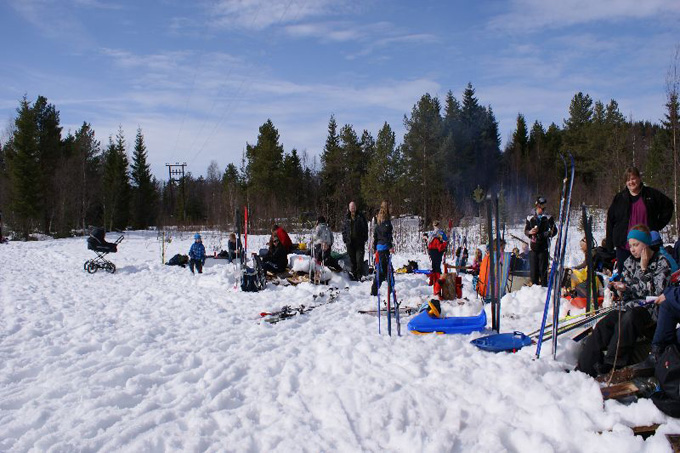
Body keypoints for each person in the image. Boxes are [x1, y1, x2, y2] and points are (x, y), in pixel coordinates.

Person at [576, 225, 671, 377]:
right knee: (604, 325)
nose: (632, 249)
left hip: (651, 310)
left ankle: (612, 364)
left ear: (646, 243)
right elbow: (628, 289)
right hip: (629, 306)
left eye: (636, 245)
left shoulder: (661, 263)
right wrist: (620, 289)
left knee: (629, 318)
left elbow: (656, 293)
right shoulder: (629, 262)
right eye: (630, 245)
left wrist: (644, 270)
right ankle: (583, 368)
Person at [605, 166, 674, 274]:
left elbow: (668, 206)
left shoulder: (651, 194)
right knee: (625, 278)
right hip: (625, 247)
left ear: (639, 178)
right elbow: (610, 219)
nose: (631, 182)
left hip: (646, 246)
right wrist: (609, 243)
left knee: (647, 276)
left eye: (633, 178)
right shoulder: (619, 198)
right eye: (628, 180)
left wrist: (657, 225)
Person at [524, 196, 557, 286]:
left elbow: (554, 231)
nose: (542, 209)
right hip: (533, 248)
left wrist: (546, 234)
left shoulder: (548, 217)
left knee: (543, 272)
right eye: (540, 207)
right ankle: (534, 291)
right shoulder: (530, 217)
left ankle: (543, 290)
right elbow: (526, 230)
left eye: (543, 207)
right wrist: (530, 232)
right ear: (537, 206)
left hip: (543, 248)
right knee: (534, 272)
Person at [370, 201, 393, 297]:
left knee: (384, 270)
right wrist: (390, 246)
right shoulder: (386, 223)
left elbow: (376, 236)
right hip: (383, 248)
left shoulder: (378, 222)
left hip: (379, 249)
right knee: (384, 271)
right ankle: (378, 290)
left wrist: (374, 247)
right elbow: (386, 236)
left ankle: (387, 289)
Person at [342, 201, 369, 280]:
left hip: (359, 242)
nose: (352, 208)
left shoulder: (360, 216)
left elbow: (365, 227)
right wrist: (344, 238)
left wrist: (365, 237)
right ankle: (354, 275)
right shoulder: (346, 217)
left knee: (359, 260)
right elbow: (343, 229)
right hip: (350, 242)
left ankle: (359, 275)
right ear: (349, 208)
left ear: (356, 207)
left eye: (354, 207)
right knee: (352, 260)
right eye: (351, 207)